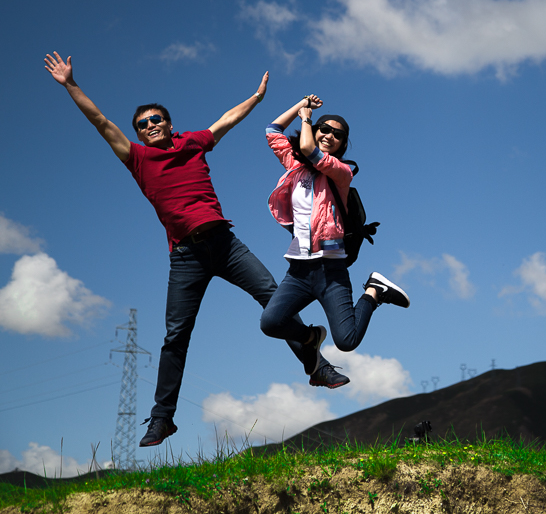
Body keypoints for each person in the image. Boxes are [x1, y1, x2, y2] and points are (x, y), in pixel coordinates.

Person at [44, 52, 339, 448]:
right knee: (175, 336)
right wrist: (70, 84)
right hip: (185, 256)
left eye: (156, 120)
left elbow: (226, 121)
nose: (149, 126)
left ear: (168, 123)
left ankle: (315, 363)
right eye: (142, 124)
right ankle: (163, 419)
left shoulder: (193, 143)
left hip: (225, 244)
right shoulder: (137, 157)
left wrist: (256, 98)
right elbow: (100, 121)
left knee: (274, 300)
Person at [259, 95, 409, 385]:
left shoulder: (341, 172)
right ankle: (312, 337)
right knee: (271, 323)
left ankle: (374, 292)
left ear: (342, 144)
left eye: (337, 134)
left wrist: (307, 118)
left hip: (331, 272)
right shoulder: (294, 165)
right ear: (317, 131)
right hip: (299, 270)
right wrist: (300, 103)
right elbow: (272, 130)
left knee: (347, 340)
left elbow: (306, 147)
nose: (329, 135)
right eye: (324, 129)